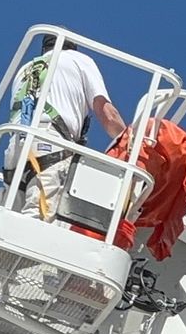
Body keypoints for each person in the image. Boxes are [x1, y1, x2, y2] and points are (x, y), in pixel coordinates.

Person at [9, 34, 129, 216]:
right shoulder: (79, 60)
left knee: (11, 219)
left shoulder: (25, 70)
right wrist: (131, 145)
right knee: (39, 217)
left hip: (15, 149)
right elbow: (108, 115)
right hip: (48, 142)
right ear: (72, 47)